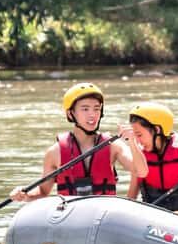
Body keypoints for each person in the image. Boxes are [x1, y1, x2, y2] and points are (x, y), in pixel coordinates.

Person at [10, 83, 148, 202]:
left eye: (96, 109)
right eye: (85, 109)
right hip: (71, 218)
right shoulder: (55, 152)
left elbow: (141, 172)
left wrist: (132, 142)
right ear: (71, 114)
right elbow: (43, 192)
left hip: (103, 218)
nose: (92, 115)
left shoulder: (114, 146)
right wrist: (25, 194)